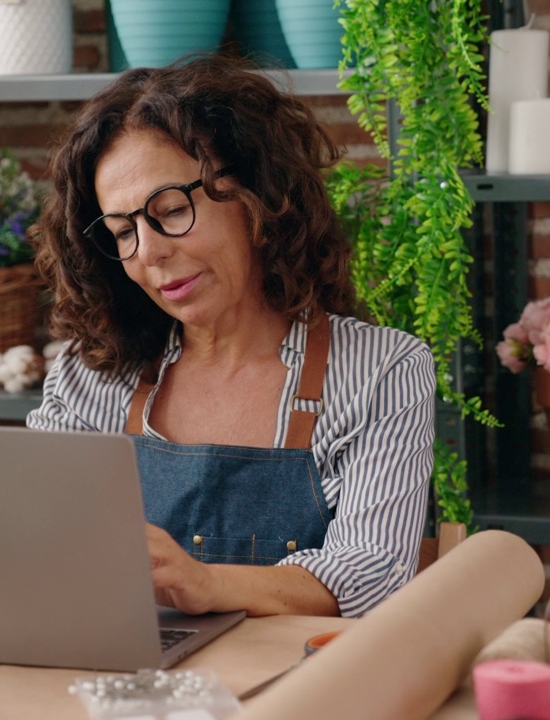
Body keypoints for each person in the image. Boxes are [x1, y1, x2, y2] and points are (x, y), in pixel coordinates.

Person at [25, 55, 435, 619]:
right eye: (123, 232)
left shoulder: (381, 371)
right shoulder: (89, 375)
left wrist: (207, 584)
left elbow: (371, 576)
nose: (149, 253)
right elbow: (35, 547)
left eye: (170, 210)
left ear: (257, 195)